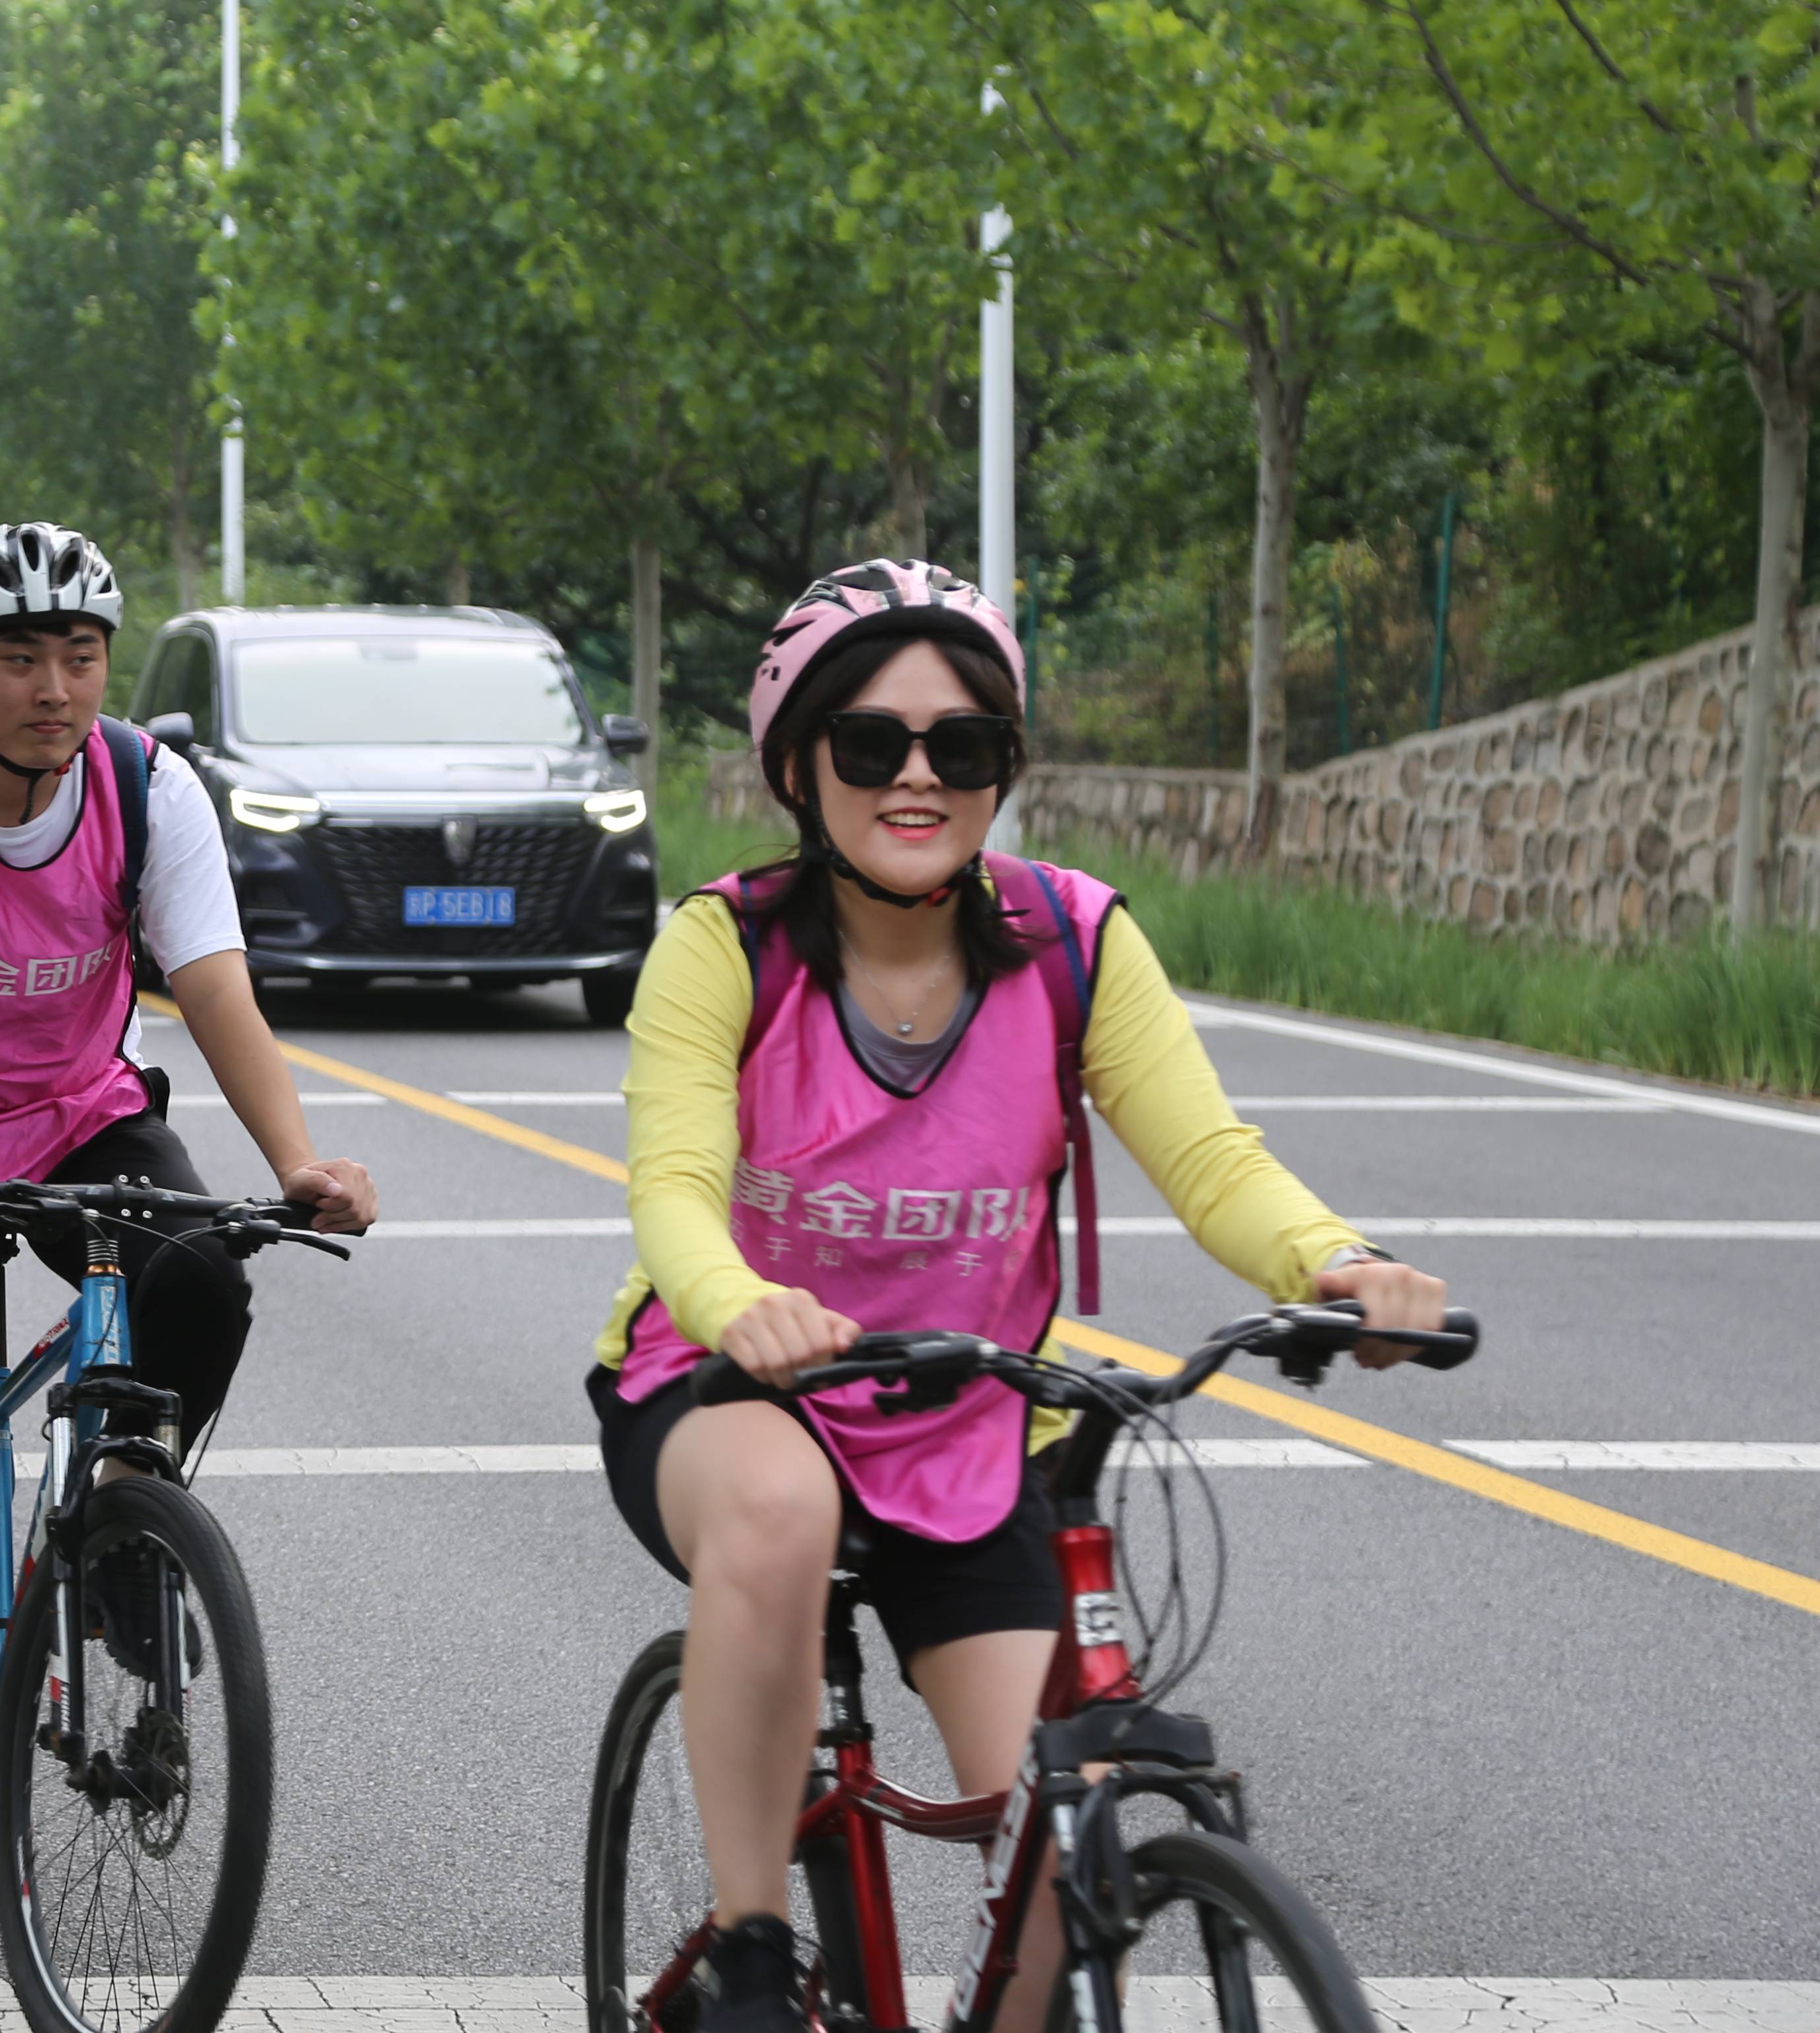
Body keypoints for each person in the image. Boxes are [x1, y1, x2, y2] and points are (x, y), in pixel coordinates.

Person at [594, 559, 1452, 2032]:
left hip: (966, 1427)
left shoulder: (1075, 941)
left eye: (964, 746)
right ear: (801, 764)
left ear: (1005, 769)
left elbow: (1211, 1155)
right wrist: (739, 1299)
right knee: (782, 1515)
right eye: (873, 745)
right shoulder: (720, 945)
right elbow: (675, 1184)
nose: (918, 778)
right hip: (730, 1386)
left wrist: (1339, 1264)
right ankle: (747, 1951)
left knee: (1081, 1805)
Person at [0, 520, 379, 1877]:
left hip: (78, 1114)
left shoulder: (146, 785)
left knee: (203, 1275)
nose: (55, 686)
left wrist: (296, 1161)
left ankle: (119, 1501)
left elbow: (214, 979)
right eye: (18, 656)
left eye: (81, 652)